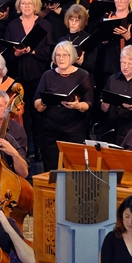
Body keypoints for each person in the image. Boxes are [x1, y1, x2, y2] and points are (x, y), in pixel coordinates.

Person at [3, 0, 54, 166]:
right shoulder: (12, 25)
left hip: (39, 75)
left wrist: (33, 51)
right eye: (23, 3)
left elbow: (50, 51)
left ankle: (38, 148)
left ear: (35, 6)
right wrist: (16, 53)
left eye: (29, 3)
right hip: (18, 76)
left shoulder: (44, 25)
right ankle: (22, 148)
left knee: (37, 113)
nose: (26, 6)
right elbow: (7, 52)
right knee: (20, 113)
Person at [34, 41, 94, 172]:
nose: (61, 58)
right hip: (50, 132)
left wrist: (77, 105)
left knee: (73, 171)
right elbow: (37, 105)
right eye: (58, 55)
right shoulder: (48, 75)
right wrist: (45, 101)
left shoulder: (83, 75)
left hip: (74, 131)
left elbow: (88, 104)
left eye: (64, 55)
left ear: (72, 56)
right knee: (51, 170)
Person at [99, 0, 132, 92]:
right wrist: (103, 41)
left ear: (129, 0)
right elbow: (98, 43)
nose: (119, 1)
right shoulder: (106, 17)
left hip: (128, 64)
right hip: (109, 63)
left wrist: (128, 37)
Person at [59, 4, 97, 76]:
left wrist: (81, 63)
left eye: (77, 21)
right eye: (71, 19)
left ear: (83, 22)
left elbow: (92, 67)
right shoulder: (62, 40)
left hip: (81, 77)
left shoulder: (90, 39)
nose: (73, 23)